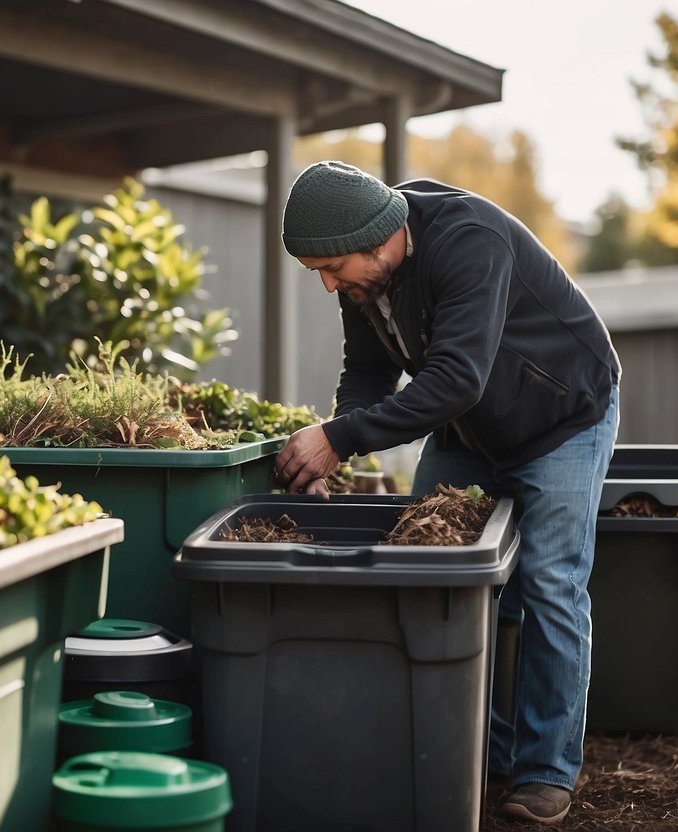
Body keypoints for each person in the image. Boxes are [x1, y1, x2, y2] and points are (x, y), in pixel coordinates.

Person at [272, 160, 621, 825]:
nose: (325, 284)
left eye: (332, 267)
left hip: (562, 417)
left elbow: (456, 377)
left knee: (548, 582)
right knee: (427, 565)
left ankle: (544, 771)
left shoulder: (468, 240)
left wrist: (339, 439)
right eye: (314, 270)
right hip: (469, 429)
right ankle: (477, 749)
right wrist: (339, 438)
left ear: (381, 239)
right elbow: (367, 373)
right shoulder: (364, 277)